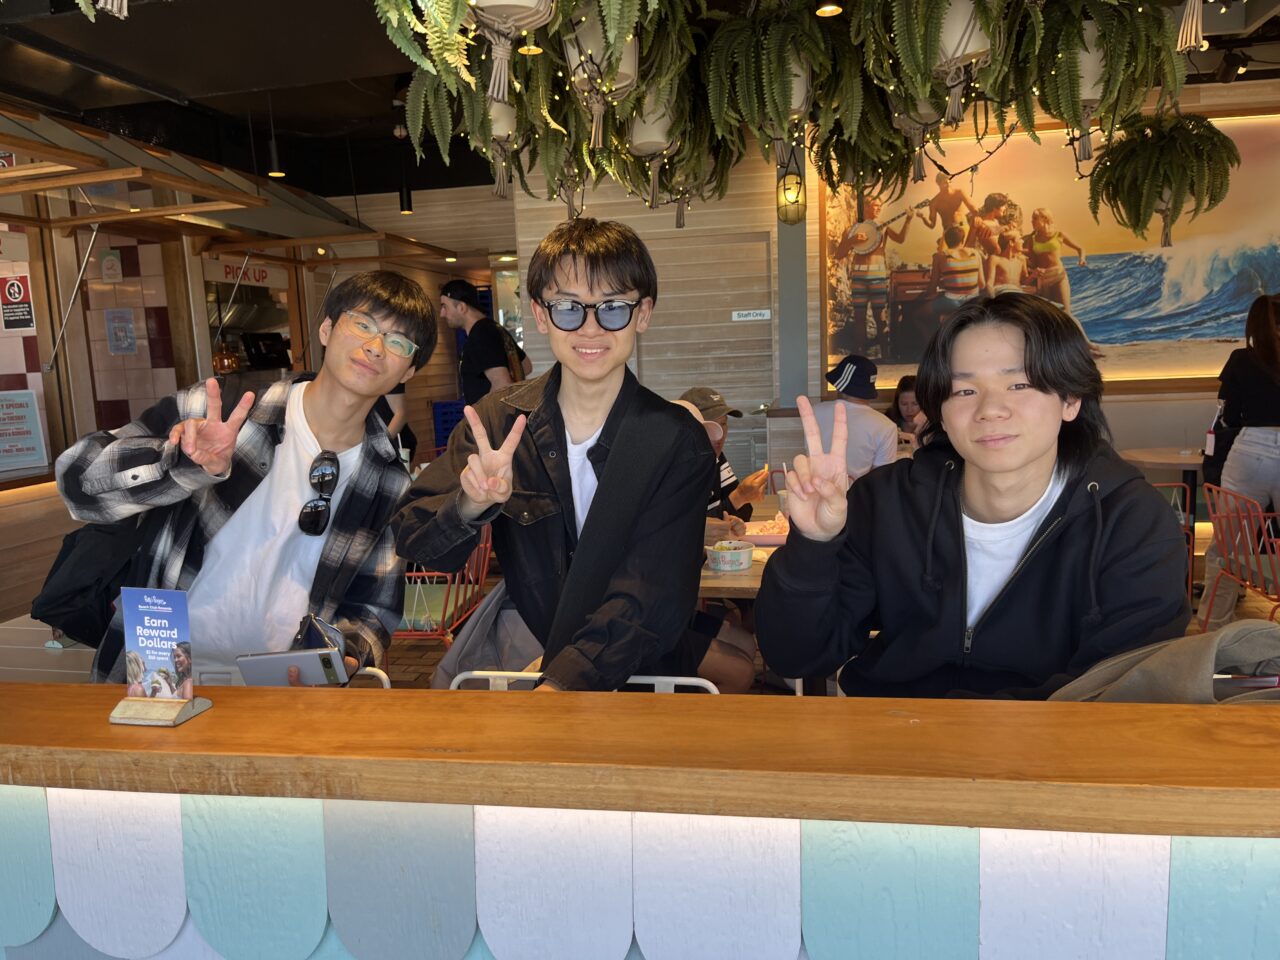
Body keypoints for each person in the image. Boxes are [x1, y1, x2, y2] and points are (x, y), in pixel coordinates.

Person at [755, 292, 1190, 699]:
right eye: (964, 390)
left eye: (1019, 384)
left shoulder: (1130, 522)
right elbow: (798, 655)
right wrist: (813, 545)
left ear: (1071, 399)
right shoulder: (887, 503)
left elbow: (1122, 695)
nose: (990, 409)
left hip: (1052, 748)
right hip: (894, 737)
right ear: (941, 413)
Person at [56, 271, 437, 686]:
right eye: (363, 324)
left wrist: (342, 654)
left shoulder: (389, 481)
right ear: (327, 329)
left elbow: (372, 608)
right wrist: (181, 465)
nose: (375, 346)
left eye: (398, 342)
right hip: (161, 673)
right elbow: (77, 483)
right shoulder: (220, 412)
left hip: (283, 686)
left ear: (408, 371)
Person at [394, 219, 717, 692]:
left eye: (613, 307)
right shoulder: (498, 423)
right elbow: (416, 543)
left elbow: (653, 591)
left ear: (643, 313)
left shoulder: (675, 440)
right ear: (540, 315)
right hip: (539, 672)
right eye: (568, 307)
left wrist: (563, 684)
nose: (590, 327)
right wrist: (469, 506)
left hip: (642, 683)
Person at [1199, 293, 1280, 629]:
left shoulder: (1241, 359)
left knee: (1229, 544)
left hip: (1251, 450)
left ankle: (1213, 626)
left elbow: (1229, 416)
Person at [679, 386, 770, 529]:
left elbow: (744, 514)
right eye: (711, 426)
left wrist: (745, 496)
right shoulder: (677, 469)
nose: (720, 434)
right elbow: (688, 530)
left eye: (723, 423)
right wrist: (740, 496)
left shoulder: (716, 457)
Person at [833, 195, 913, 349]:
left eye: (880, 206)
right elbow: (839, 254)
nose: (879, 209)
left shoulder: (884, 226)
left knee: (880, 316)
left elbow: (900, 239)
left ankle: (885, 355)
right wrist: (852, 240)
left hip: (878, 278)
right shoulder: (852, 229)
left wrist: (908, 220)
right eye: (875, 205)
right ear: (865, 207)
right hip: (858, 279)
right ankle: (861, 354)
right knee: (859, 318)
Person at [440, 278, 532, 405]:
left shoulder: (481, 334)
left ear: (461, 307)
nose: (442, 314)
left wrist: (483, 413)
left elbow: (502, 385)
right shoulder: (494, 328)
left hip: (495, 417)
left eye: (444, 306)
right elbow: (526, 366)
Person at [810, 355, 898, 481]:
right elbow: (882, 478)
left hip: (813, 490)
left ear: (839, 386)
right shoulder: (886, 426)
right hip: (858, 493)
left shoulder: (815, 411)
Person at [924, 225, 982, 314]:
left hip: (952, 302)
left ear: (946, 241)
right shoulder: (975, 253)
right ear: (962, 240)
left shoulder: (940, 256)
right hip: (973, 302)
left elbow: (933, 286)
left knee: (918, 314)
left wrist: (925, 295)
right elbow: (982, 284)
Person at [916, 171, 978, 235]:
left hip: (963, 228)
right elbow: (932, 225)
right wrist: (923, 217)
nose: (948, 184)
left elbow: (974, 209)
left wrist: (974, 224)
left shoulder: (959, 192)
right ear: (939, 184)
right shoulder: (934, 202)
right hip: (948, 233)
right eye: (945, 183)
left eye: (949, 181)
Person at [985, 230, 1031, 296]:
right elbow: (989, 284)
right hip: (1001, 294)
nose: (1023, 241)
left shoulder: (1021, 260)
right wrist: (993, 298)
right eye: (1020, 239)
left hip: (1017, 293)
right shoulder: (995, 259)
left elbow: (1024, 281)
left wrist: (1033, 275)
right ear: (1011, 243)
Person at [964, 192, 1010, 257]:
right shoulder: (984, 224)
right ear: (994, 208)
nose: (1005, 208)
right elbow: (996, 250)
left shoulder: (995, 221)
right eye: (1003, 206)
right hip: (981, 258)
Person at [888, 374, 923, 444]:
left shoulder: (933, 425)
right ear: (897, 403)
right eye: (904, 404)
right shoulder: (888, 421)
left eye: (915, 404)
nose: (909, 410)